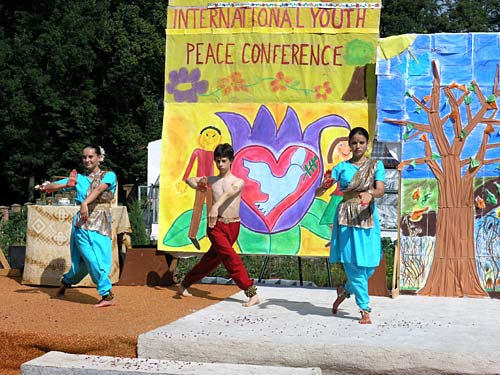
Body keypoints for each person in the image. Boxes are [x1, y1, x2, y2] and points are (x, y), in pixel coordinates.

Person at [176, 143, 260, 307]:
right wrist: (197, 184)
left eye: (223, 161)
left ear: (231, 161)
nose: (220, 165)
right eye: (217, 161)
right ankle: (251, 291)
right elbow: (189, 179)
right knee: (230, 257)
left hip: (233, 226)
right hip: (216, 225)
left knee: (212, 260)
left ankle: (184, 284)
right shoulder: (211, 180)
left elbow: (229, 193)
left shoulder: (238, 181)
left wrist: (214, 206)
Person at [318, 127, 385, 324]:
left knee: (370, 264)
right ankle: (364, 309)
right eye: (354, 142)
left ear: (367, 144)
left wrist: (370, 193)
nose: (357, 146)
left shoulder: (375, 166)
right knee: (354, 265)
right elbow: (319, 191)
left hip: (367, 215)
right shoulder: (341, 168)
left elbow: (380, 190)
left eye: (361, 142)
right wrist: (324, 185)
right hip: (346, 217)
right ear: (349, 144)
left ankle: (346, 289)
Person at [38, 145, 117, 308]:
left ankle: (66, 281)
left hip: (102, 223)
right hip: (82, 224)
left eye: (91, 157)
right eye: (84, 157)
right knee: (90, 258)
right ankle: (107, 295)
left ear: (99, 158)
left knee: (96, 260)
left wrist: (85, 203)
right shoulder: (79, 179)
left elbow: (100, 189)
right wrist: (48, 186)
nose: (87, 160)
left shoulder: (109, 175)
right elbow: (55, 185)